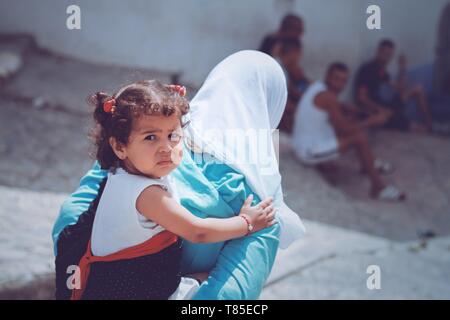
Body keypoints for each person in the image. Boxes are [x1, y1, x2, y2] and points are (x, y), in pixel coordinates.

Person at [52, 50, 306, 300]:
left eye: (173, 137)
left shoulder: (144, 148)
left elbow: (72, 214)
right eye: (152, 137)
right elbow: (203, 240)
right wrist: (247, 223)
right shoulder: (259, 193)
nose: (166, 145)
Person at [292, 62, 406, 201]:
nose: (339, 85)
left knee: (351, 122)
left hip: (302, 142)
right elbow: (344, 130)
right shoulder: (329, 97)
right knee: (358, 137)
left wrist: (361, 112)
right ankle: (378, 187)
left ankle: (368, 164)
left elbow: (339, 107)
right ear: (328, 76)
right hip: (306, 152)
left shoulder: (318, 87)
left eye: (343, 81)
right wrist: (372, 121)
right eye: (336, 79)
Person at [354, 39, 432, 131]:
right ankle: (417, 126)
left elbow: (400, 88)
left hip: (385, 106)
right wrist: (381, 109)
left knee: (417, 89)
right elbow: (362, 99)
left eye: (389, 55)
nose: (386, 58)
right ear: (378, 51)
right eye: (384, 53)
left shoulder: (381, 71)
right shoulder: (367, 69)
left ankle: (430, 125)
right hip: (375, 110)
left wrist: (402, 68)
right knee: (419, 129)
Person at [276, 37, 309, 134]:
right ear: (294, 53)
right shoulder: (279, 70)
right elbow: (282, 106)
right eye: (299, 54)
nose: (299, 58)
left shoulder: (281, 67)